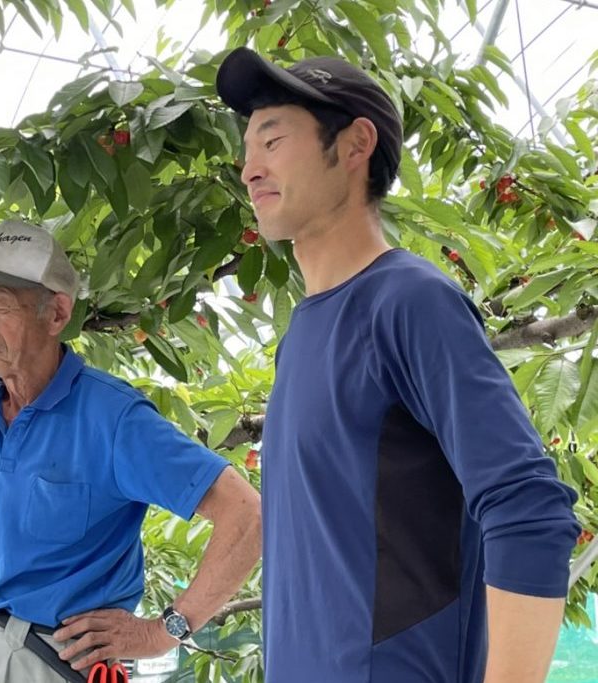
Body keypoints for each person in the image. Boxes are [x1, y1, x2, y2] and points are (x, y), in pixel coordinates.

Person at [215, 47, 581, 683]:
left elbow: (530, 510)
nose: (250, 169)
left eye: (272, 140)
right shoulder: (302, 332)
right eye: (246, 148)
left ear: (356, 144)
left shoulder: (409, 301)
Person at [0, 219, 262, 682]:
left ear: (57, 314)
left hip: (54, 661)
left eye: (0, 306)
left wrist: (163, 632)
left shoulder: (114, 417)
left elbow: (247, 515)